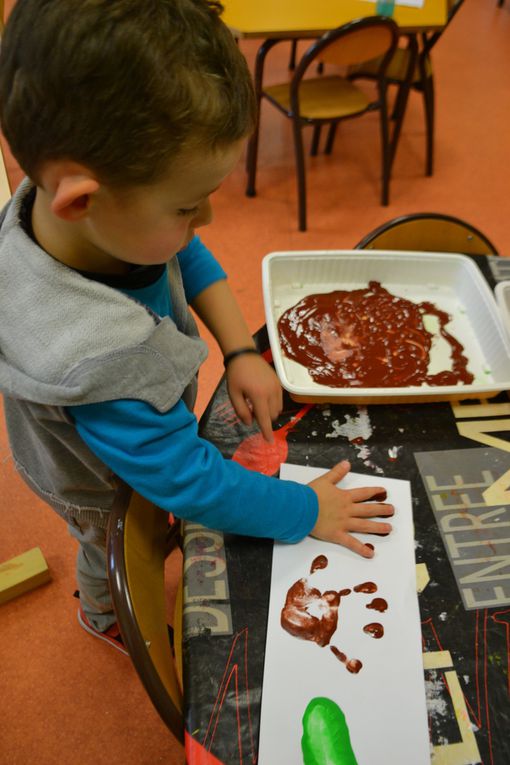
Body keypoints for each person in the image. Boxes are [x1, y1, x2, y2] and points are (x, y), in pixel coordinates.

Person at [0, 0, 394, 653]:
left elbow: (181, 250)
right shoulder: (96, 357)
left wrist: (239, 349)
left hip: (142, 421)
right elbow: (187, 480)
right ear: (81, 198)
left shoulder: (72, 215)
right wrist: (308, 511)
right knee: (114, 545)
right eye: (188, 204)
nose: (206, 217)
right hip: (96, 482)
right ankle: (101, 611)